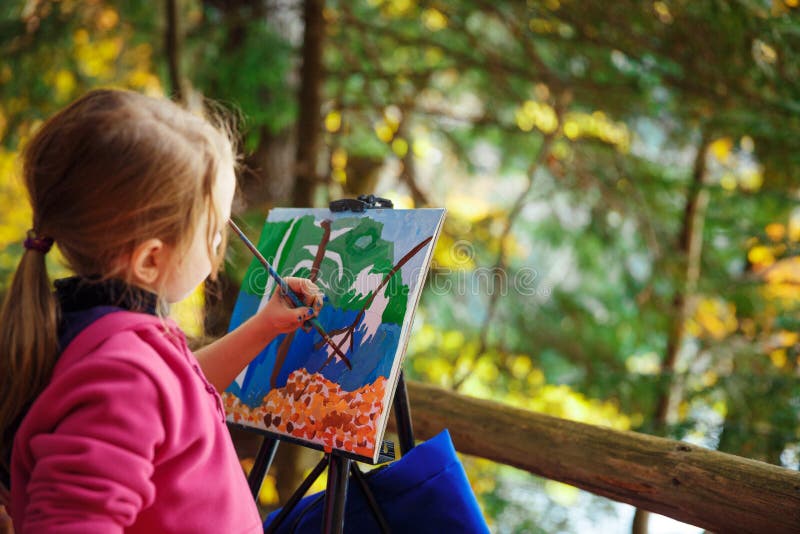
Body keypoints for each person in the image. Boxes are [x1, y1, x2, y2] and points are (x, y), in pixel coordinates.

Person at [0, 89, 323, 533]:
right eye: (213, 230)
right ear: (151, 258)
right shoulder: (122, 374)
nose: (218, 249)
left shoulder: (108, 337)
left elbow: (177, 397)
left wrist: (262, 327)